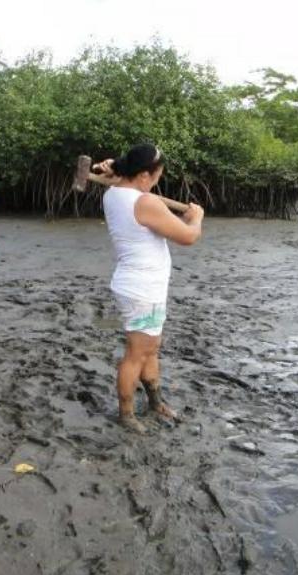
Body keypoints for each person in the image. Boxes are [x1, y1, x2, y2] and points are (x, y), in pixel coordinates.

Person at [95, 143, 204, 434]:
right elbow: (188, 236)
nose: (157, 181)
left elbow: (119, 179)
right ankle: (126, 414)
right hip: (142, 290)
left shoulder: (115, 192)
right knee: (136, 353)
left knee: (150, 349)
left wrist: (111, 170)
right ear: (144, 175)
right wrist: (197, 217)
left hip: (141, 286)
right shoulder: (146, 203)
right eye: (157, 176)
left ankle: (156, 401)